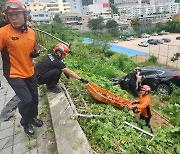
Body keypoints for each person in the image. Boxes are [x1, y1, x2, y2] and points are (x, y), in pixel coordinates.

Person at [0, 0, 42, 136]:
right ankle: (25, 122)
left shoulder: (31, 33)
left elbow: (33, 48)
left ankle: (33, 116)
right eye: (9, 15)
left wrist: (34, 53)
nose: (13, 18)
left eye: (17, 14)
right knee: (26, 100)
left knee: (35, 98)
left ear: (25, 16)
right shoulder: (3, 33)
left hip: (29, 70)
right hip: (13, 74)